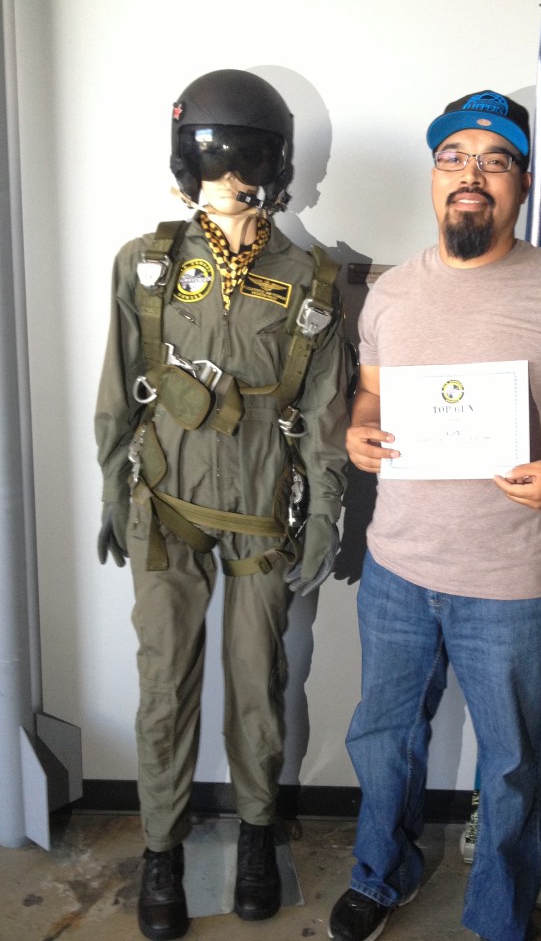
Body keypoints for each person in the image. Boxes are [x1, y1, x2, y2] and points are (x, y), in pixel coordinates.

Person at [328, 90, 541, 941]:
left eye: (495, 159)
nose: (470, 174)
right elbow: (370, 394)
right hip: (397, 569)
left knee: (511, 762)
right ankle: (380, 874)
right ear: (434, 175)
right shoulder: (392, 293)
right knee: (383, 738)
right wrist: (359, 429)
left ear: (521, 182)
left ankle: (500, 916)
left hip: (511, 582)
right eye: (454, 156)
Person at [95, 69, 349, 941]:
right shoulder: (147, 264)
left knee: (257, 685)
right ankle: (160, 849)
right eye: (210, 159)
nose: (228, 179)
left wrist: (325, 515)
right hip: (164, 507)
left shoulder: (312, 282)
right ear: (184, 163)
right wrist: (110, 487)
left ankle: (255, 834)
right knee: (164, 686)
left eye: (244, 160)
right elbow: (117, 393)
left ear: (276, 166)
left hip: (263, 513)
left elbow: (325, 417)